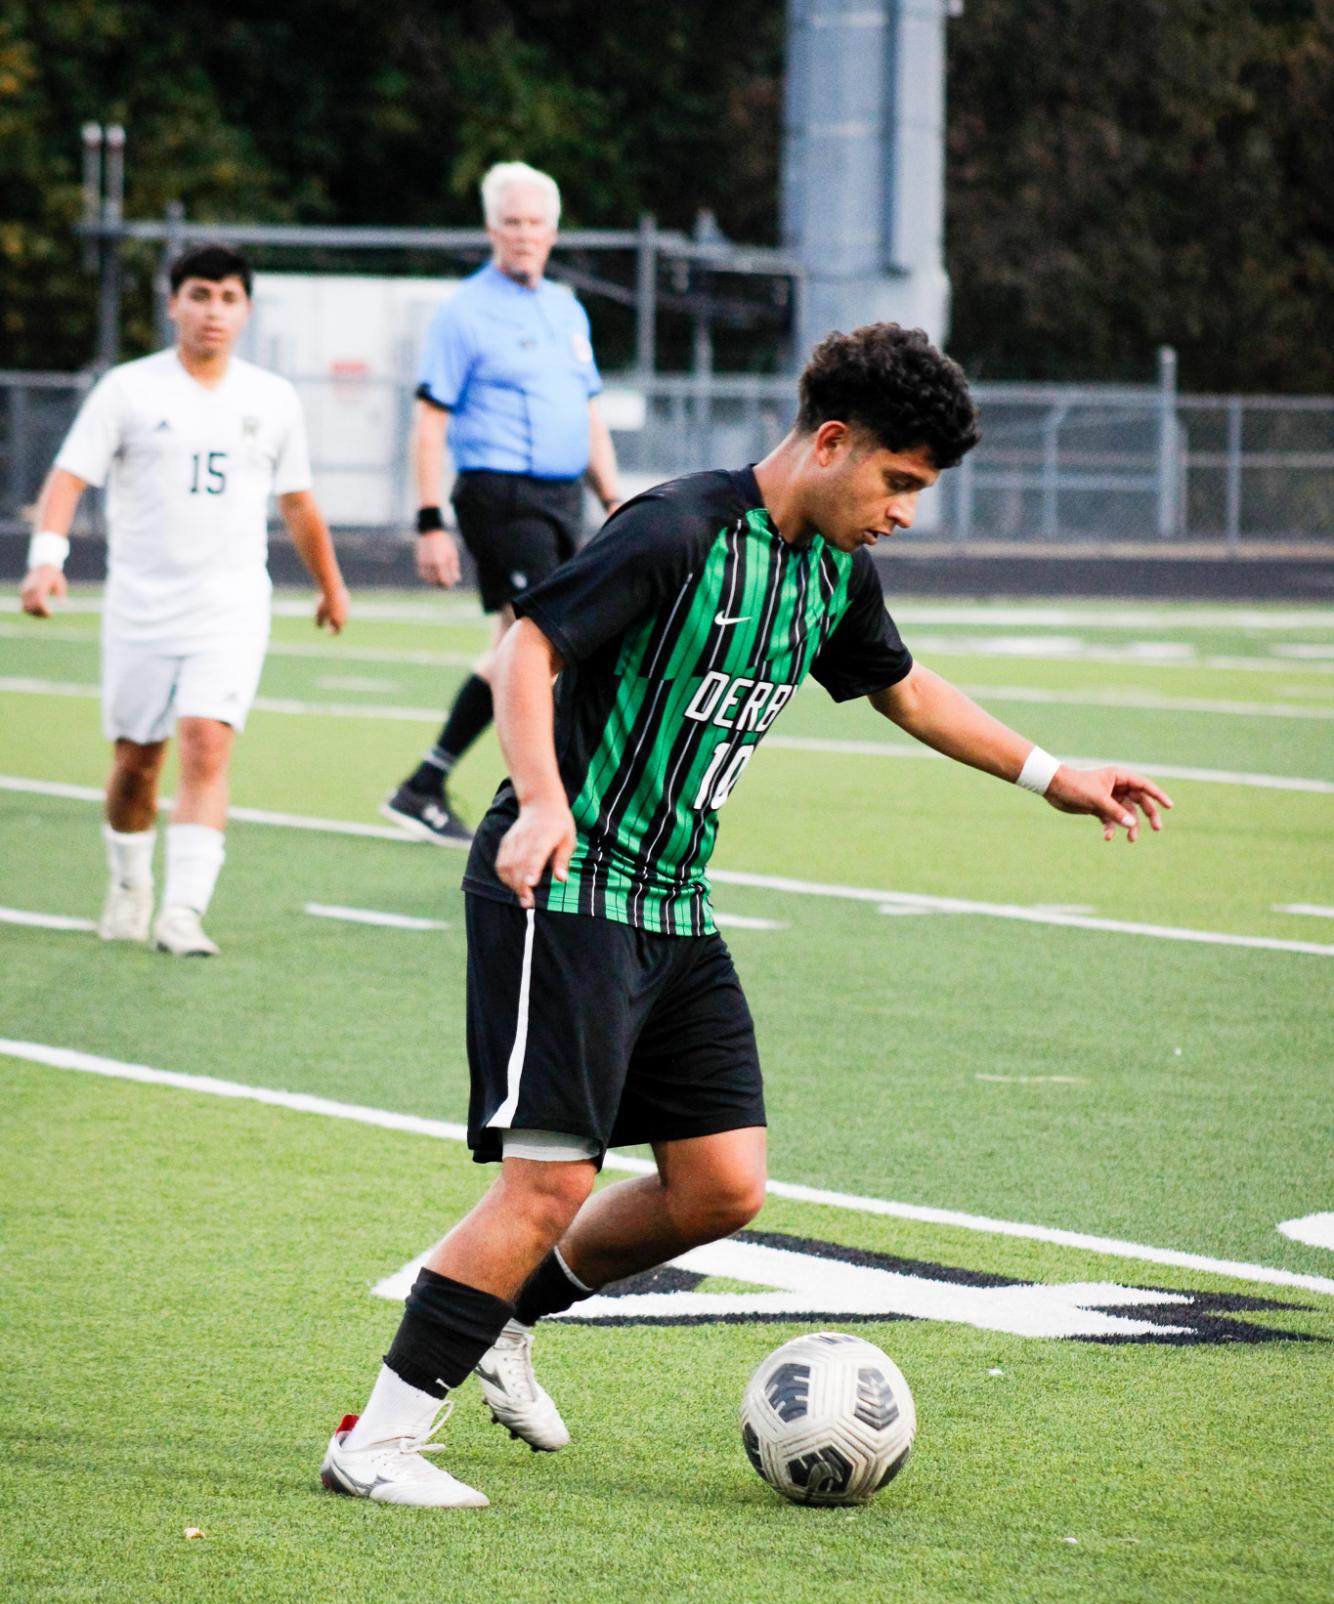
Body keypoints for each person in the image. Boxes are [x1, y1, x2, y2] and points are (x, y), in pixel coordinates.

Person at [322, 322, 1173, 1510]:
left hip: (674, 902)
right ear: (831, 442)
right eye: (898, 483)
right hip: (561, 885)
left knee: (719, 1187)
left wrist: (1052, 773)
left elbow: (905, 689)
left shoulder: (831, 567)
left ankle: (507, 1318)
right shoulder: (677, 528)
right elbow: (526, 648)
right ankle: (378, 1441)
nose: (904, 513)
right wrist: (541, 804)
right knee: (546, 1188)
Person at [20, 242, 348, 956]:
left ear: (247, 310)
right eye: (200, 295)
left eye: (229, 298)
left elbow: (298, 502)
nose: (213, 312)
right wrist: (48, 561)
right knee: (138, 761)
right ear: (173, 304)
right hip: (141, 605)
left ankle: (183, 911)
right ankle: (130, 883)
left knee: (206, 744)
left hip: (230, 606)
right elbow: (68, 479)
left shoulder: (272, 398)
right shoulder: (128, 390)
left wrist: (330, 583)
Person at [380, 160, 621, 847]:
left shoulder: (565, 307)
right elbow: (429, 422)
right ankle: (547, 803)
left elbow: (588, 409)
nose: (523, 235)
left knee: (516, 647)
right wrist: (429, 521)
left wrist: (613, 496)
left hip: (560, 495)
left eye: (535, 223)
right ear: (492, 228)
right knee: (549, 642)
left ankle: (424, 784)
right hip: (499, 494)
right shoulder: (464, 311)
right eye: (511, 222)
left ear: (553, 230)